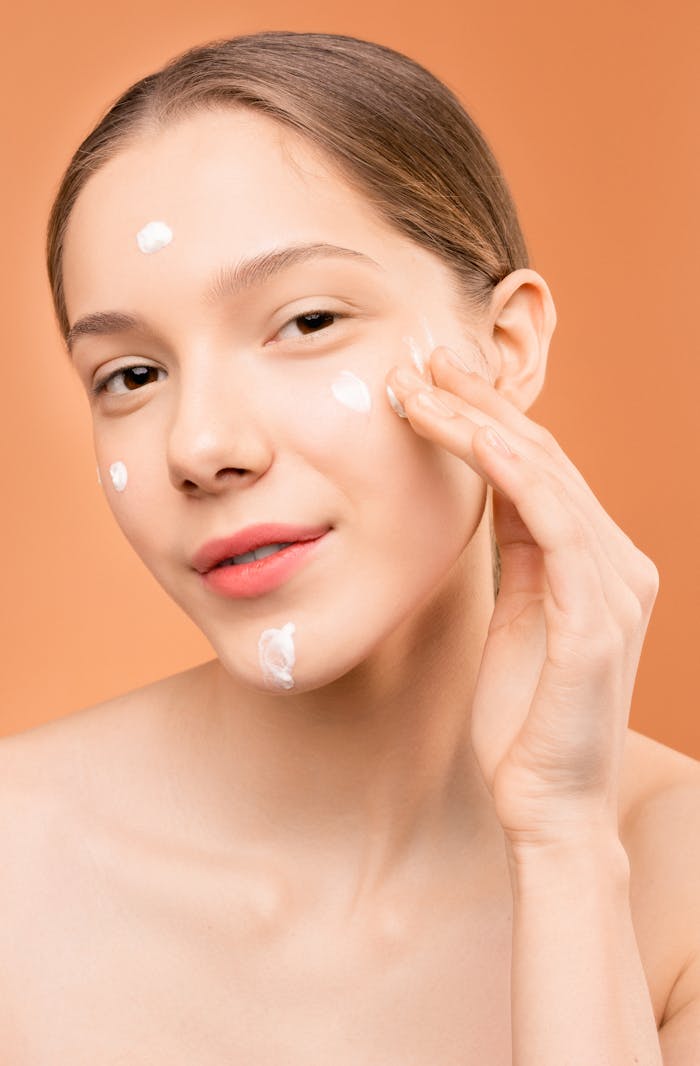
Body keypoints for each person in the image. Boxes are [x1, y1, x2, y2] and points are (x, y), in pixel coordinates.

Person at [1, 30, 698, 1064]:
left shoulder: (676, 891)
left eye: (307, 319)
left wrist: (564, 849)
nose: (202, 446)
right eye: (131, 376)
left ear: (503, 351)